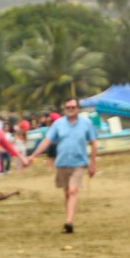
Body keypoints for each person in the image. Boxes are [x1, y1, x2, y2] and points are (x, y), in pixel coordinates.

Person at [30, 97, 98, 234]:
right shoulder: (58, 124)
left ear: (77, 109)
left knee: (73, 190)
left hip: (79, 162)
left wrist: (93, 163)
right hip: (62, 162)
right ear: (64, 109)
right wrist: (33, 155)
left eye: (73, 107)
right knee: (67, 193)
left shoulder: (86, 123)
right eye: (68, 107)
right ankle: (68, 219)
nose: (70, 110)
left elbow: (93, 143)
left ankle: (69, 221)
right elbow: (47, 141)